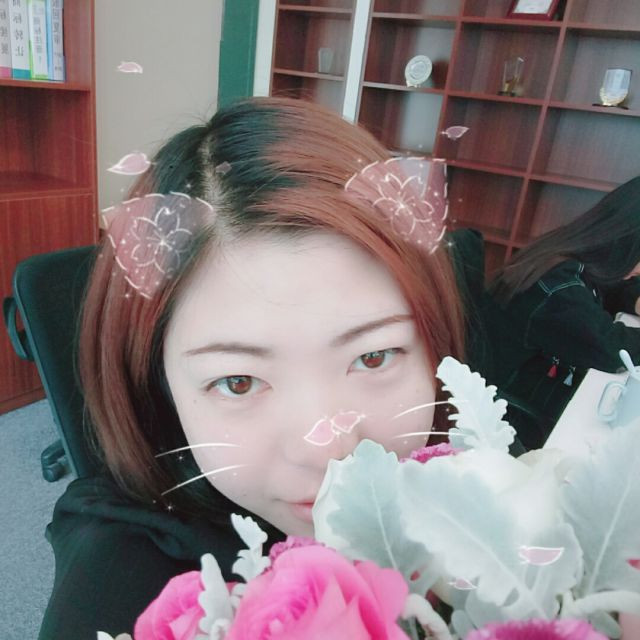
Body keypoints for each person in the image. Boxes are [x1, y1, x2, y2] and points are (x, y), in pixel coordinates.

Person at [38, 97, 466, 638]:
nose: (328, 450)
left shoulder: (486, 482)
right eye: (238, 382)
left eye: (372, 357)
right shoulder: (121, 562)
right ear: (160, 388)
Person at [485, 177, 640, 449]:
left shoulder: (574, 256)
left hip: (531, 389)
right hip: (512, 420)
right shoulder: (558, 286)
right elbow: (612, 350)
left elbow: (617, 289)